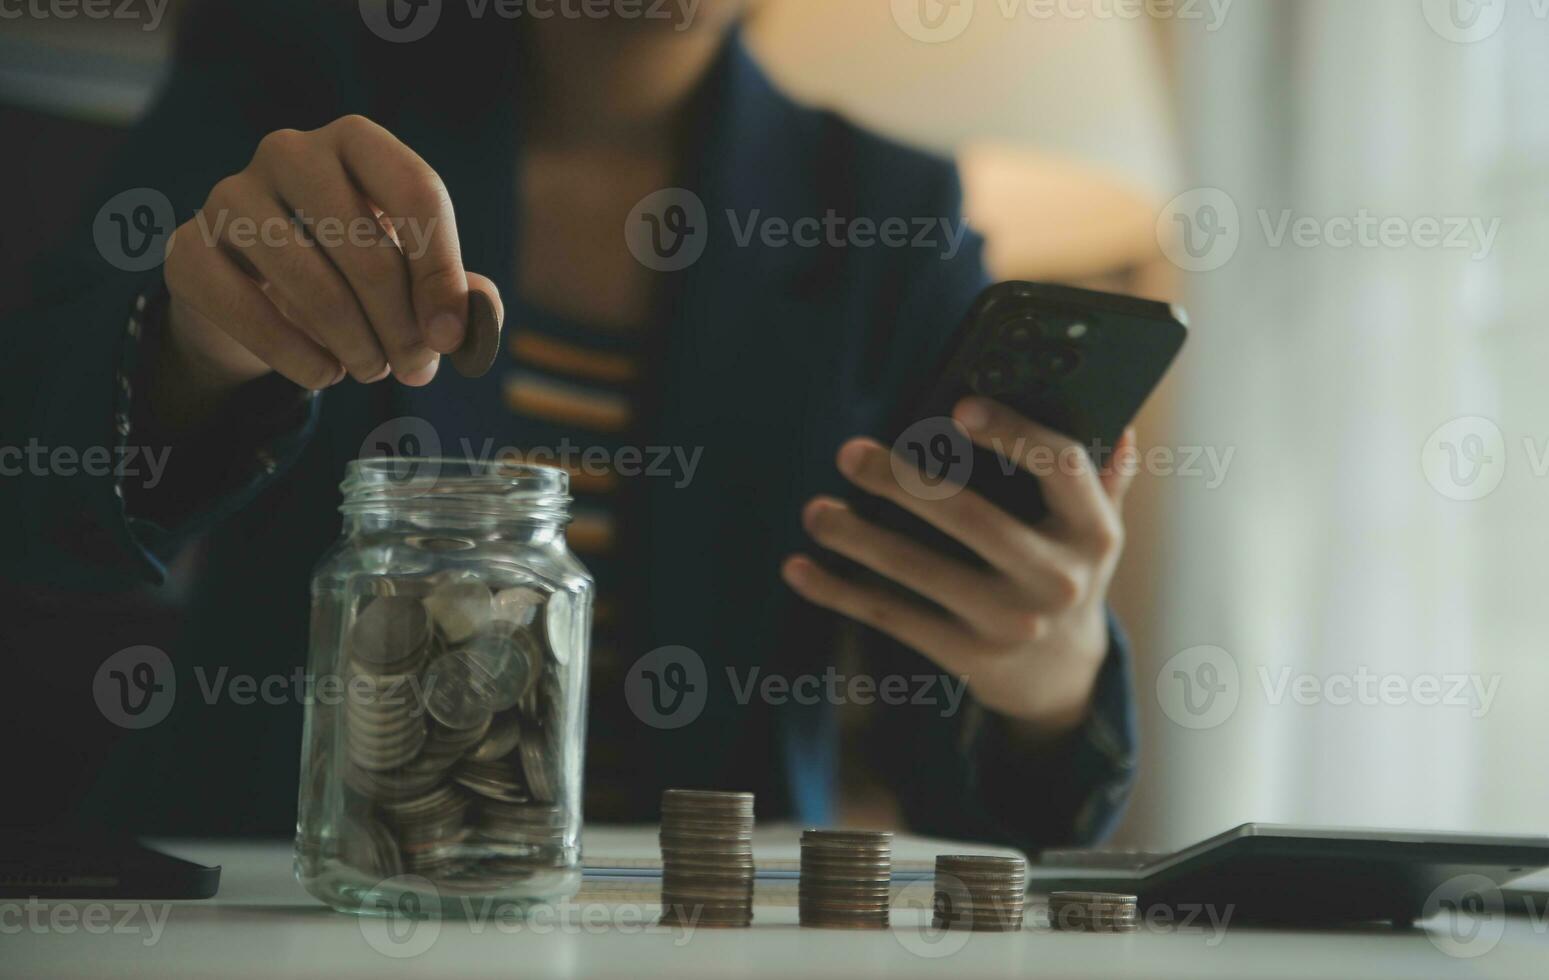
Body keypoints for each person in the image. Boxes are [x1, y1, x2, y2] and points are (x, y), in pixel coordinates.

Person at [0, 0, 1137, 849]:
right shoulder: (286, 83)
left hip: (696, 923)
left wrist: (1048, 679)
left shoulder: (890, 211)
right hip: (280, 894)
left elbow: (954, 759)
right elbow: (35, 480)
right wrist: (200, 342)